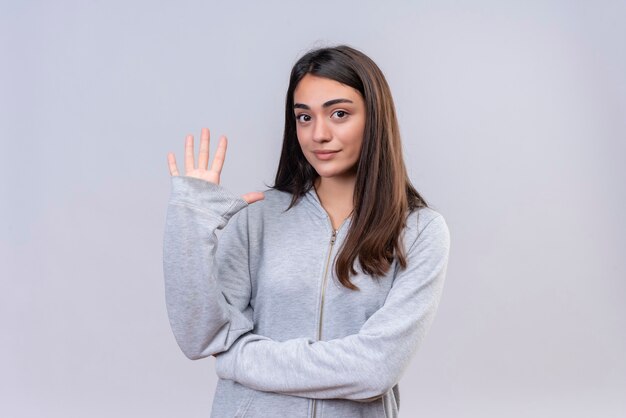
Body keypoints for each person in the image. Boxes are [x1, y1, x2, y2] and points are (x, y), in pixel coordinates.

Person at [163, 44, 450, 418]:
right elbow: (199, 335)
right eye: (304, 117)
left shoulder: (420, 232)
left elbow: (374, 369)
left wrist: (238, 358)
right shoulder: (257, 218)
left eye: (340, 114)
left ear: (375, 118)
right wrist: (191, 225)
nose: (318, 134)